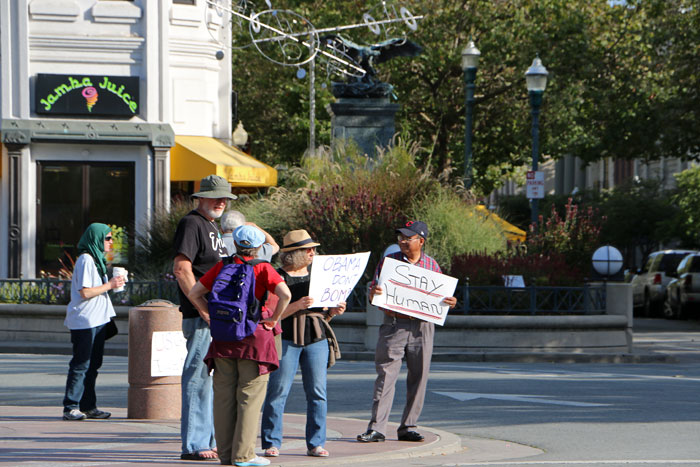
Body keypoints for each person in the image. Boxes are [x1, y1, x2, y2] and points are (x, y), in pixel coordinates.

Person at [188, 225, 292, 467]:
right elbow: (285, 294)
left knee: (223, 398)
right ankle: (244, 456)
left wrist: (208, 315)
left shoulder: (222, 266)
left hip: (224, 338)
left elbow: (195, 293)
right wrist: (274, 319)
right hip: (255, 339)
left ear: (234, 244)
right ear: (257, 248)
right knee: (249, 398)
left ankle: (225, 454)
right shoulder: (262, 268)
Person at [357, 220, 457, 443]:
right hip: (394, 325)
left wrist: (450, 301)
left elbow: (441, 298)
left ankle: (408, 426)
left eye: (408, 237)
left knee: (419, 377)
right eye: (400, 237)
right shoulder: (389, 263)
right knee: (386, 376)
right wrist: (375, 293)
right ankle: (377, 428)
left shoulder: (432, 266)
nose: (402, 241)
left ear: (421, 241)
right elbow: (374, 297)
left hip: (423, 327)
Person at [260, 230, 346, 458]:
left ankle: (316, 443)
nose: (312, 253)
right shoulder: (277, 277)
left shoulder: (320, 276)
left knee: (318, 392)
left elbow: (324, 313)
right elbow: (270, 317)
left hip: (315, 338)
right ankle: (271, 442)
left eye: (313, 249)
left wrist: (334, 311)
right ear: (293, 253)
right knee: (278, 390)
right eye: (307, 250)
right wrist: (295, 306)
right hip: (285, 337)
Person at [173, 174, 235, 461]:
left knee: (209, 377)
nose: (221, 202)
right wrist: (201, 308)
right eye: (216, 197)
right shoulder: (192, 223)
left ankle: (206, 440)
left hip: (215, 316)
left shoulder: (211, 225)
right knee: (198, 375)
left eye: (225, 198)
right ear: (200, 198)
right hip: (203, 317)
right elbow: (182, 269)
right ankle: (195, 443)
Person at [62, 223, 125, 421]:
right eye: (107, 238)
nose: (111, 242)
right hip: (85, 321)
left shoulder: (97, 260)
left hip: (98, 320)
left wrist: (114, 285)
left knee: (93, 364)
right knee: (81, 364)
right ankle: (71, 406)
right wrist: (110, 285)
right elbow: (85, 291)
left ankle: (88, 406)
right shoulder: (86, 260)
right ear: (96, 238)